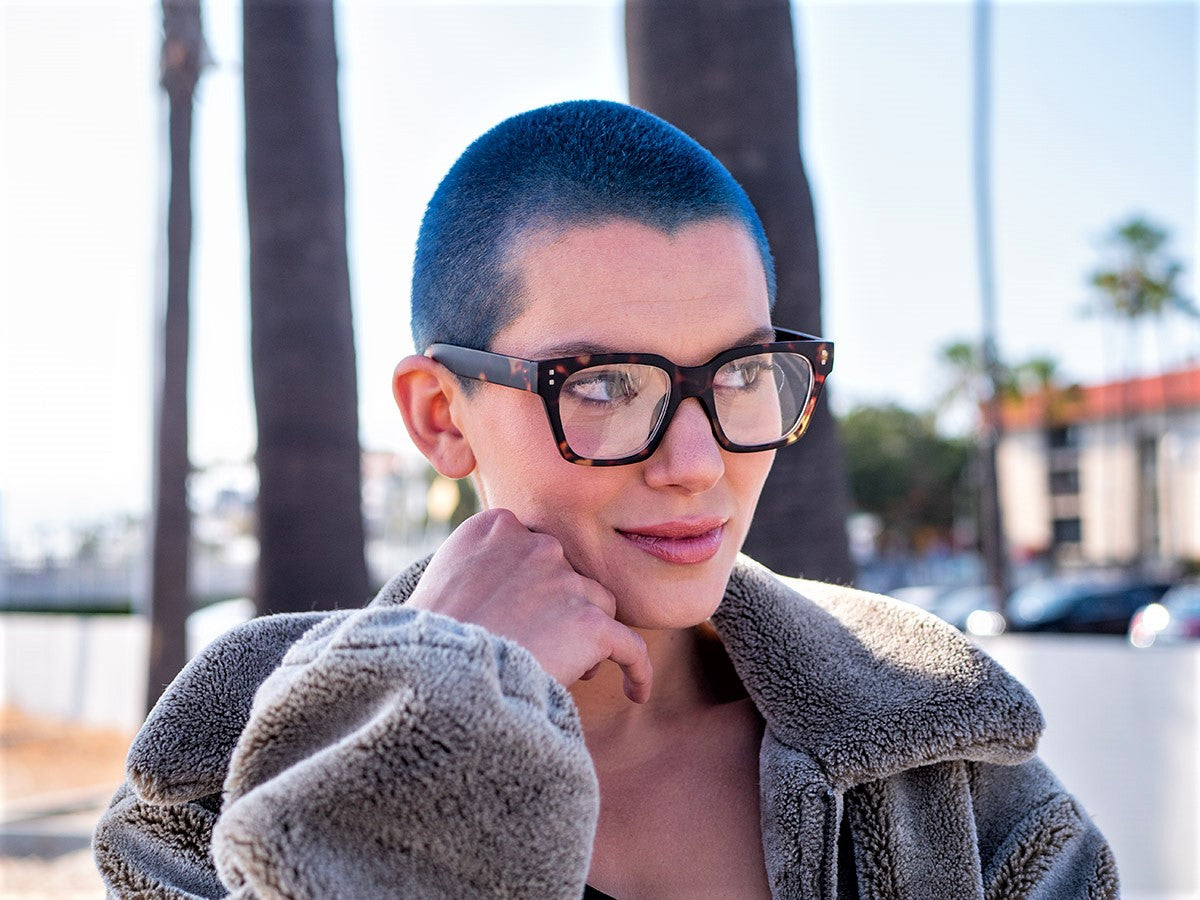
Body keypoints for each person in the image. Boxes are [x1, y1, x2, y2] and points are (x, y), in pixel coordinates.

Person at [94, 100, 1117, 899]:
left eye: (742, 373)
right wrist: (444, 703)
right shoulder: (222, 776)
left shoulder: (944, 755)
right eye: (604, 386)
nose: (695, 463)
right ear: (442, 416)